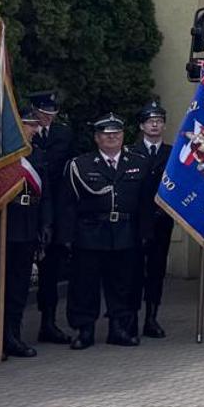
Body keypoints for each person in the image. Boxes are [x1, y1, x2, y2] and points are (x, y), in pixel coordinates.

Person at [53, 114, 150, 349]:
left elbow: (145, 204)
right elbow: (68, 205)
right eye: (106, 134)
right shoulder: (80, 165)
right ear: (97, 138)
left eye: (116, 134)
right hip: (90, 233)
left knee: (123, 285)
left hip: (125, 233)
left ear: (123, 136)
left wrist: (146, 233)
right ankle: (84, 330)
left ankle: (118, 329)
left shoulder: (138, 162)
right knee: (84, 285)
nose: (112, 138)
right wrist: (66, 237)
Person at [0, 112, 51, 360]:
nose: (33, 130)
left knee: (18, 287)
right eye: (29, 125)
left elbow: (45, 194)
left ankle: (12, 336)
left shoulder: (36, 155)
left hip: (27, 226)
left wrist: (46, 224)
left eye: (35, 126)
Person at [27, 90, 76, 345]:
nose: (47, 119)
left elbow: (68, 172)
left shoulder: (64, 134)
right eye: (43, 114)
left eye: (52, 114)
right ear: (33, 111)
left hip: (55, 210)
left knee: (51, 272)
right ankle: (8, 328)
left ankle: (49, 323)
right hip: (26, 209)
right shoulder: (23, 135)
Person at [132, 101, 172, 339]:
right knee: (134, 271)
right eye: (150, 121)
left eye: (159, 121)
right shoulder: (131, 152)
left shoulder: (173, 153)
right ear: (141, 125)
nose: (155, 125)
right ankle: (131, 317)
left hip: (161, 220)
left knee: (156, 270)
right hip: (137, 221)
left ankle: (151, 317)